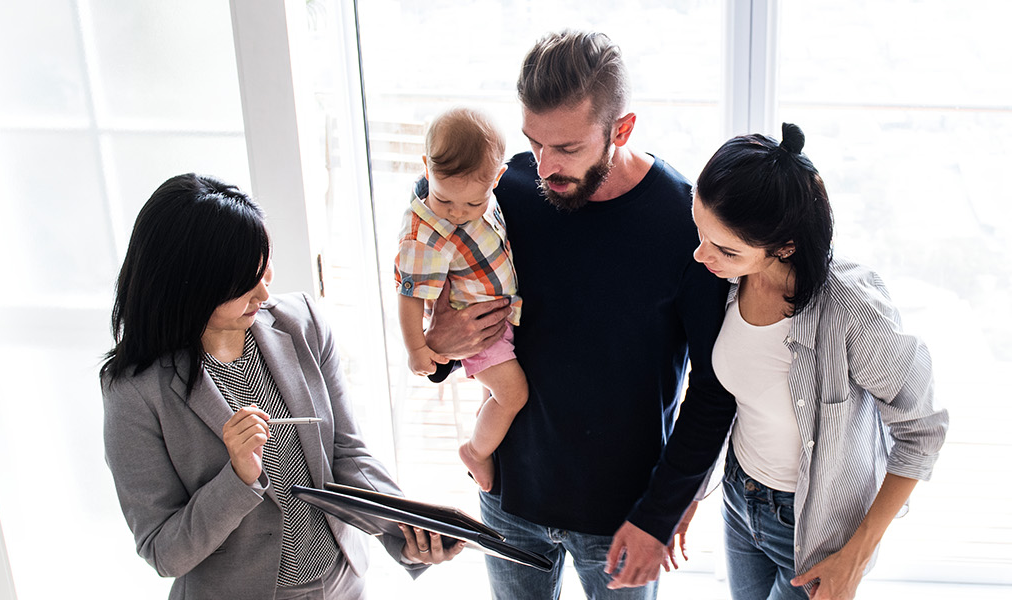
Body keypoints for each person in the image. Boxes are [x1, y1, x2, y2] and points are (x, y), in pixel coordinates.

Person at [417, 31, 735, 599]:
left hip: (623, 516)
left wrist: (659, 514)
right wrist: (438, 347)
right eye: (533, 142)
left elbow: (714, 390)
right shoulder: (501, 194)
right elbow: (445, 307)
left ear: (622, 129)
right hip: (508, 499)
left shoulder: (683, 224)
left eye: (566, 148)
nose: (544, 165)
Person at [101, 174, 461, 600]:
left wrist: (406, 524)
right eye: (242, 283)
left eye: (264, 268)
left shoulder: (302, 322)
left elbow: (345, 454)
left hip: (344, 586)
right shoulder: (134, 391)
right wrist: (237, 477)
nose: (264, 291)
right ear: (189, 286)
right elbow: (164, 551)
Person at [688, 124, 947, 600]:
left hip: (815, 531)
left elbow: (923, 430)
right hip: (738, 497)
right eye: (700, 230)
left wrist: (857, 555)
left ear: (784, 246)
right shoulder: (725, 279)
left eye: (724, 248)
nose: (701, 255)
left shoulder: (852, 308)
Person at [393, 107, 530, 492]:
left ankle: (482, 438)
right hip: (477, 330)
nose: (456, 214)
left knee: (494, 394)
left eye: (472, 205)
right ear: (425, 168)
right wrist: (417, 348)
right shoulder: (426, 234)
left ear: (497, 178)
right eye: (444, 200)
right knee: (513, 394)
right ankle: (475, 452)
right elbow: (409, 296)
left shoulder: (487, 190)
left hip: (499, 320)